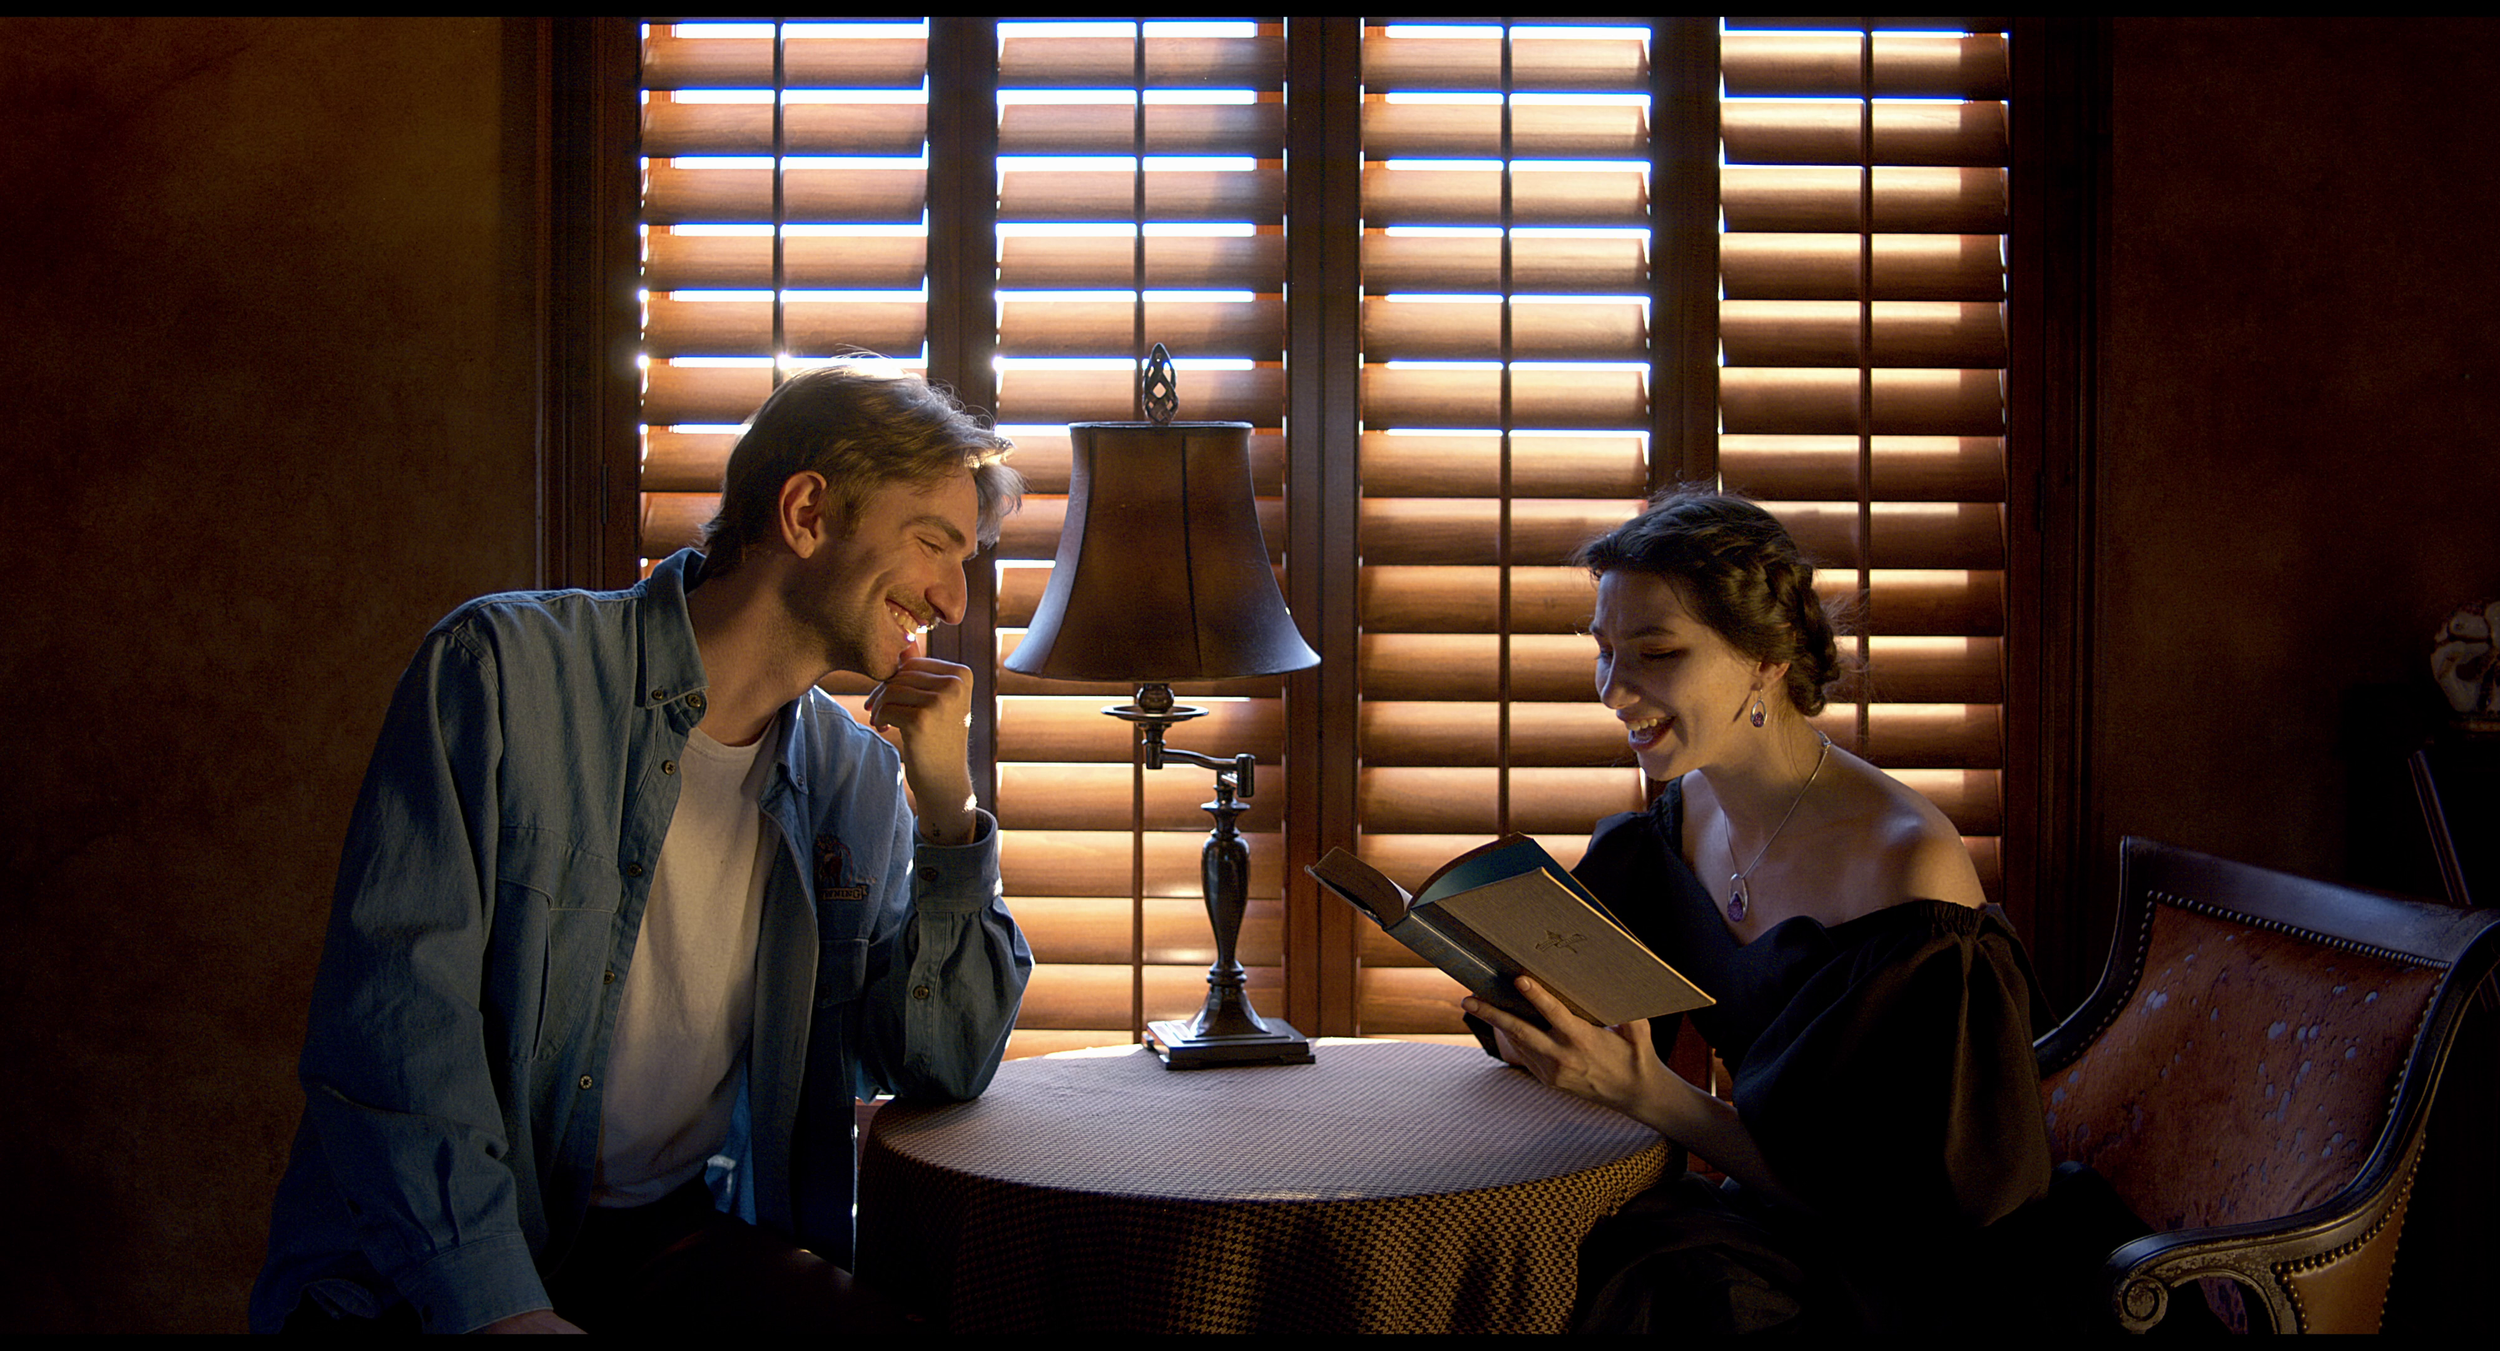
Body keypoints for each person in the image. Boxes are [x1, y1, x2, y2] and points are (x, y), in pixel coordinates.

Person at [251, 365, 1034, 1334]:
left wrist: (950, 808)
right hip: (412, 1276)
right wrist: (506, 1315)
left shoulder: (859, 782)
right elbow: (394, 1043)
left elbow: (941, 1065)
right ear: (805, 512)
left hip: (663, 1248)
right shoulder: (500, 671)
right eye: (934, 544)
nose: (952, 599)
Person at [1461, 490, 2125, 1334]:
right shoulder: (1680, 820)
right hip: (1768, 1222)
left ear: (1767, 658)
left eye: (1656, 653)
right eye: (1605, 651)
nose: (1613, 691)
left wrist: (1648, 1093)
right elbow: (1572, 993)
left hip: (1919, 1278)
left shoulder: (1906, 864)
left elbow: (1924, 1213)